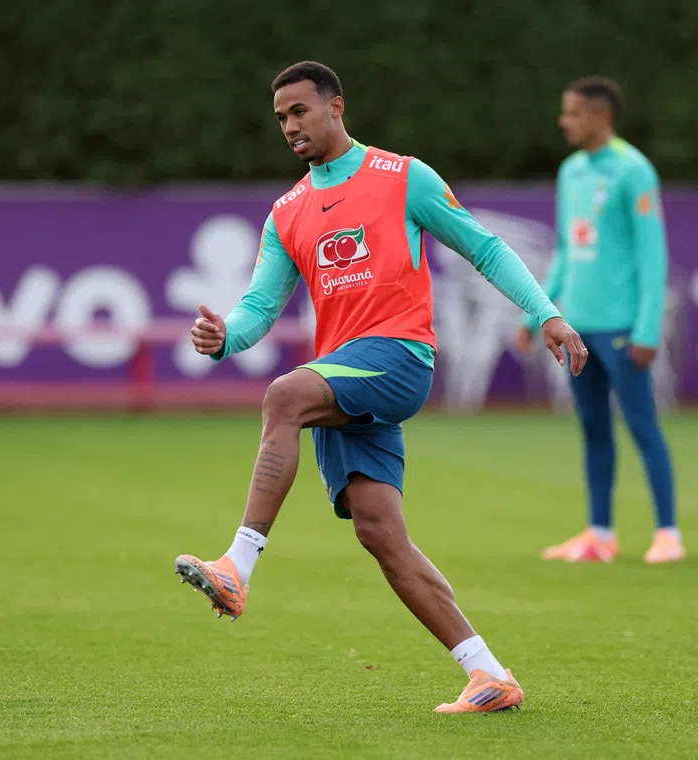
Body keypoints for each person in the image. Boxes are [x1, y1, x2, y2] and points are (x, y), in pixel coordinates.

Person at [174, 61, 588, 713]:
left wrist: (548, 314)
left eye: (300, 111)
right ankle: (489, 674)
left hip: (398, 359)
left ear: (337, 106)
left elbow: (485, 248)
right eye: (280, 117)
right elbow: (259, 308)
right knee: (380, 535)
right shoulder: (287, 213)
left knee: (283, 396)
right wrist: (224, 336)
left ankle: (237, 565)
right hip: (346, 380)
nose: (290, 126)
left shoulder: (403, 177)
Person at [515, 77, 683, 564]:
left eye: (572, 113)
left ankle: (668, 532)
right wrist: (537, 315)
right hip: (579, 327)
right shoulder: (571, 172)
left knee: (642, 425)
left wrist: (649, 329)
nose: (564, 122)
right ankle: (600, 534)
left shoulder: (634, 171)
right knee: (592, 429)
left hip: (625, 327)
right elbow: (567, 252)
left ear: (600, 116)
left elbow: (654, 257)